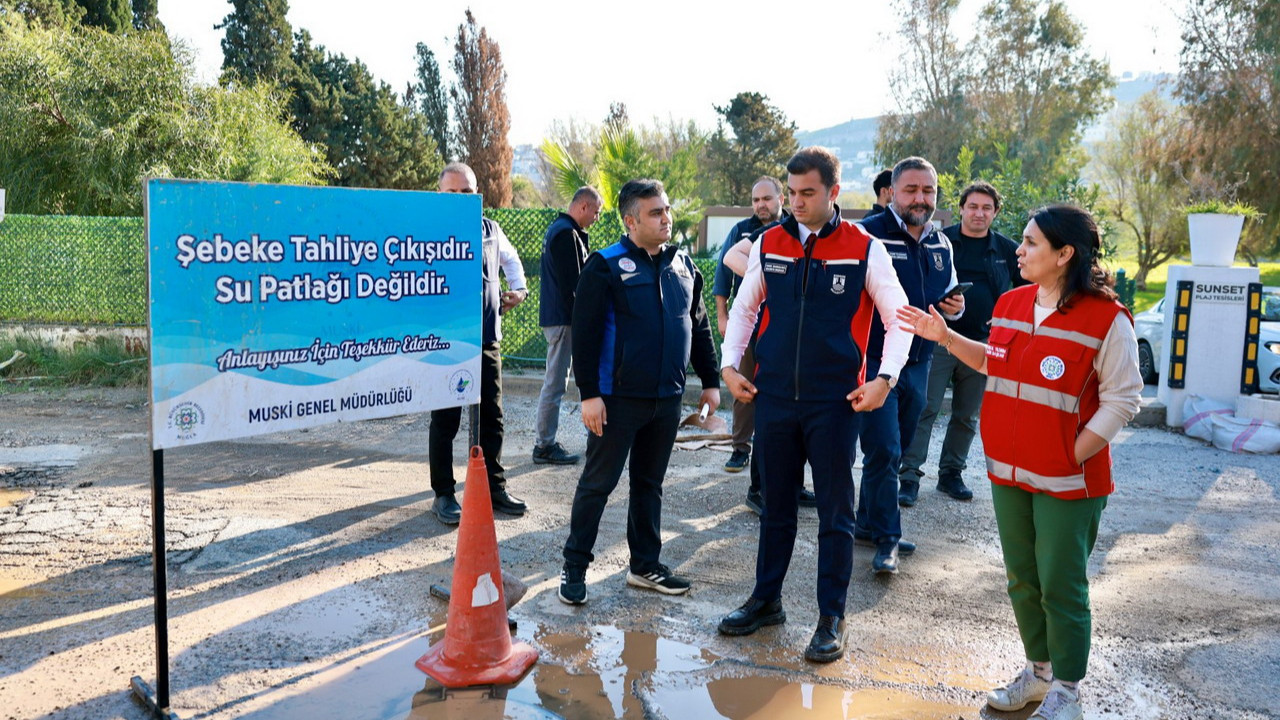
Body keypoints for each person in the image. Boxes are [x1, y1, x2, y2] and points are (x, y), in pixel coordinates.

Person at [897, 204, 1142, 720]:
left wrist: (1071, 453)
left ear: (1064, 254)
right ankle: (1038, 674)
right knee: (1022, 578)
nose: (1020, 250)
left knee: (1061, 584)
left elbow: (1124, 399)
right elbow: (992, 360)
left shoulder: (1107, 319)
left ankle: (1067, 691)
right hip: (1008, 472)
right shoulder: (1010, 303)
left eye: (1031, 243)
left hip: (1070, 480)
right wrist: (944, 336)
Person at [716, 147, 911, 663]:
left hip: (835, 402)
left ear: (833, 192)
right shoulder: (769, 242)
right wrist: (730, 366)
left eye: (808, 194)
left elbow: (899, 321)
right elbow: (744, 308)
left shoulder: (865, 249)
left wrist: (884, 380)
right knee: (775, 507)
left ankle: (832, 617)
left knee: (834, 513)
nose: (797, 203)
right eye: (792, 193)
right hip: (774, 397)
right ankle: (766, 601)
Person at [558, 179, 721, 605]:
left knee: (649, 484)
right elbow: (587, 336)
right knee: (598, 484)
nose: (665, 218)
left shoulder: (684, 265)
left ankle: (645, 566)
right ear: (631, 221)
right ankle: (574, 567)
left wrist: (710, 382)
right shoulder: (604, 266)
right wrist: (589, 394)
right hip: (616, 401)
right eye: (655, 213)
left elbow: (698, 325)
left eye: (666, 210)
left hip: (667, 400)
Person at [855, 157, 964, 574]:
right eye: (911, 190)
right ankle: (887, 540)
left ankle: (867, 522)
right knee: (883, 450)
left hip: (918, 364)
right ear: (892, 194)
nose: (921, 198)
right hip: (876, 364)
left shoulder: (941, 244)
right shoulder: (867, 236)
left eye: (928, 191)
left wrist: (957, 308)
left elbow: (949, 303)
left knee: (893, 451)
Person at [900, 181, 1026, 502]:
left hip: (984, 344)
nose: (979, 213)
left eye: (986, 208)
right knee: (924, 408)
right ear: (960, 208)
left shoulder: (1008, 250)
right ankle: (909, 475)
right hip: (940, 340)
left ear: (996, 212)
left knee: (967, 414)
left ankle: (951, 473)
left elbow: (1030, 291)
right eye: (973, 206)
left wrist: (1010, 319)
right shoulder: (939, 242)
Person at [429, 163, 530, 525]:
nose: (461, 198)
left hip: (487, 339)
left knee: (493, 417)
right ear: (439, 194)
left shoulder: (491, 229)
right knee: (446, 420)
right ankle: (443, 494)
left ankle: (494, 488)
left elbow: (512, 261)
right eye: (453, 192)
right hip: (446, 341)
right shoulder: (428, 229)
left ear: (477, 196)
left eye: (467, 192)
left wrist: (518, 290)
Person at [712, 176, 783, 477]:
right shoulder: (741, 231)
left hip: (781, 325)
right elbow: (722, 275)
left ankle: (776, 453)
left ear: (782, 199)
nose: (760, 205)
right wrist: (722, 316)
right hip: (747, 325)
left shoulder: (792, 229)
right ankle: (740, 447)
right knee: (742, 385)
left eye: (766, 199)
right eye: (755, 200)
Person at [533, 186, 603, 465]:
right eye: (596, 212)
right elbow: (572, 285)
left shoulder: (562, 230)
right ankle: (544, 446)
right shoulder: (565, 233)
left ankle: (546, 443)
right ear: (583, 207)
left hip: (561, 318)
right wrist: (584, 320)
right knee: (555, 383)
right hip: (563, 319)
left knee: (557, 381)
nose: (596, 218)